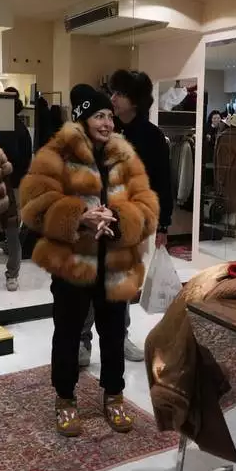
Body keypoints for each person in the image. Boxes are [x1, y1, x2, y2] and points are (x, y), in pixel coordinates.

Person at [20, 84, 159, 436]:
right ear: (82, 119)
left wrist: (119, 218)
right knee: (68, 333)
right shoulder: (55, 156)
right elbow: (33, 207)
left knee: (113, 333)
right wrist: (79, 217)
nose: (108, 123)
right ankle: (65, 399)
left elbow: (148, 207)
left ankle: (114, 395)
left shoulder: (125, 158)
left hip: (115, 263)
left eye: (110, 116)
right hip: (73, 263)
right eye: (99, 116)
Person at [79, 69, 171, 365]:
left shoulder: (152, 137)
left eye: (120, 94)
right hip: (97, 216)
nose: (114, 99)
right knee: (91, 276)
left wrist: (163, 223)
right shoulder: (105, 130)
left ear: (135, 100)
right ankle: (83, 340)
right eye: (114, 93)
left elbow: (163, 181)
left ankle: (120, 336)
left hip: (131, 220)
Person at [0, 87, 33, 291]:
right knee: (11, 228)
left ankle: (5, 265)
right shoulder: (20, 128)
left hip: (0, 183)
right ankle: (12, 273)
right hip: (13, 183)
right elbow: (25, 158)